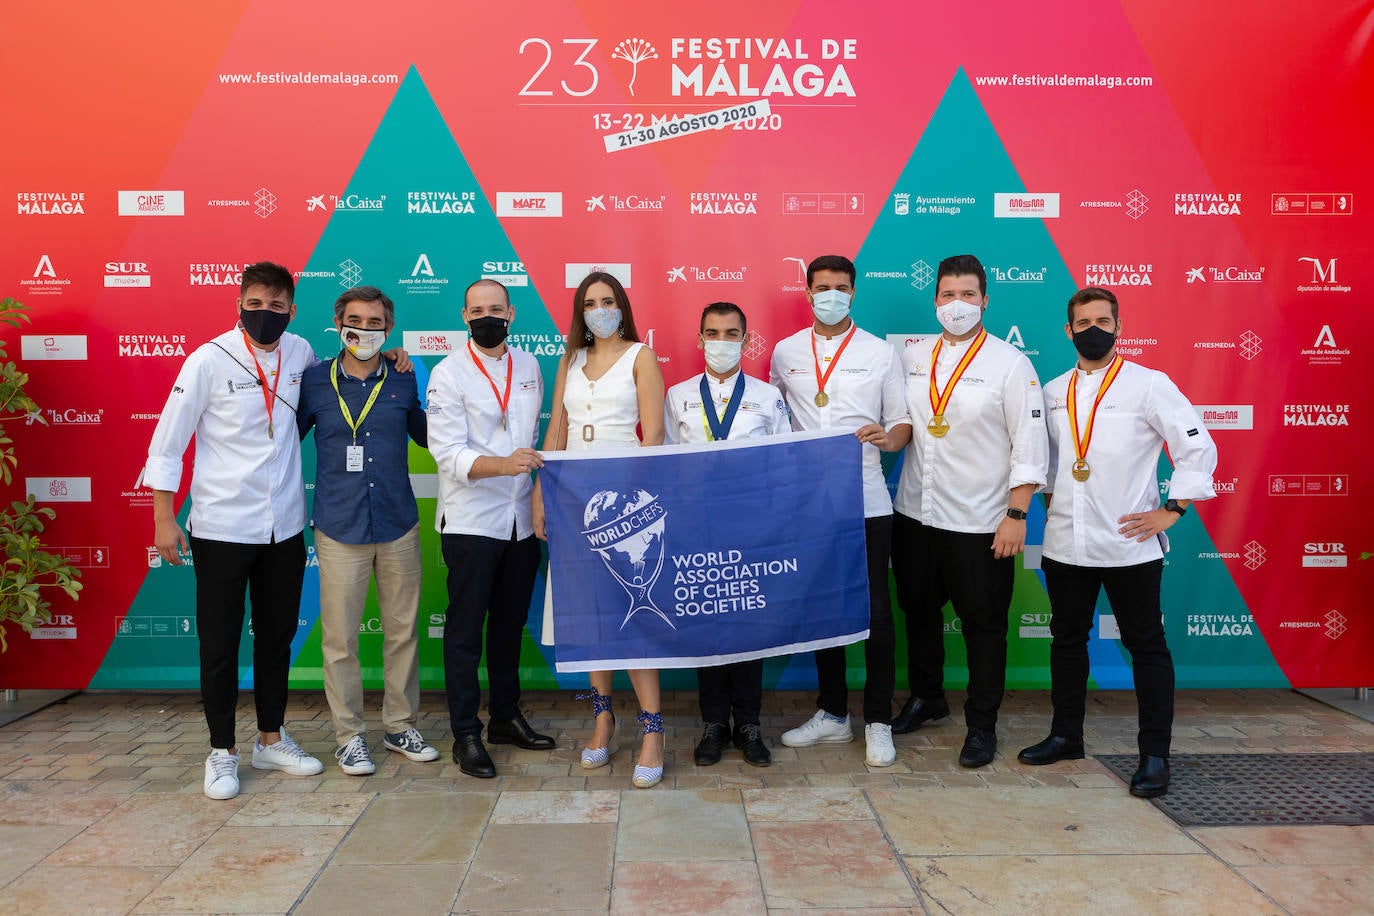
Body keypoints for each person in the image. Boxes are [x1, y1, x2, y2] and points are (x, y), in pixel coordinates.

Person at [1018, 286, 1217, 798]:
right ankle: (1066, 735)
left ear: (1119, 327)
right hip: (1066, 544)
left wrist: (1172, 510)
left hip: (1130, 545)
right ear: (1068, 330)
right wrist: (1051, 503)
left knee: (1146, 648)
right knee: (1066, 643)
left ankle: (1154, 755)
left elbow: (1198, 447)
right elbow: (1047, 466)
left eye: (1102, 321)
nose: (1093, 331)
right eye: (1083, 323)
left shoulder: (1149, 385)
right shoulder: (1052, 391)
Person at [143, 261, 325, 799]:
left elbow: (340, 388)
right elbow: (167, 442)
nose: (264, 314)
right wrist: (162, 516)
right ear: (239, 305)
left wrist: (391, 356)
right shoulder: (207, 359)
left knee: (275, 639)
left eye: (275, 306)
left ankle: (270, 739)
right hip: (221, 524)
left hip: (284, 527)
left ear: (291, 310)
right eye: (255, 304)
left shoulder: (302, 353)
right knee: (219, 644)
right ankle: (221, 751)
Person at [889, 254, 1048, 768]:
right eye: (947, 295)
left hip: (981, 521)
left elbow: (1029, 444)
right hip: (915, 513)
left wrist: (1017, 514)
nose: (957, 305)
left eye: (968, 295)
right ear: (934, 300)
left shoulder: (1010, 363)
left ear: (985, 301)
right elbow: (903, 423)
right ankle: (927, 698)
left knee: (984, 627)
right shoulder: (913, 357)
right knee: (918, 615)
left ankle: (982, 725)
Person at [768, 254, 912, 768]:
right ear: (808, 293)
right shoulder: (785, 353)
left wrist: (888, 437)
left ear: (855, 292)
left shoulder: (880, 352)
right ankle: (833, 714)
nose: (832, 294)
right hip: (808, 504)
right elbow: (773, 419)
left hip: (867, 496)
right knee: (822, 607)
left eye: (842, 287)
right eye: (822, 287)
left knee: (875, 612)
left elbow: (901, 424)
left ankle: (877, 720)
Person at [296, 285, 437, 776]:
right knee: (340, 641)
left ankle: (400, 726)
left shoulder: (404, 376)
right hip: (338, 525)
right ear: (339, 325)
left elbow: (432, 434)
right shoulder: (313, 381)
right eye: (356, 320)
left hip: (397, 521)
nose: (366, 330)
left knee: (402, 633)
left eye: (376, 323)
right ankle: (349, 737)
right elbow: (278, 441)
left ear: (388, 329)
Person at [534, 271, 667, 787]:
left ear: (622, 306)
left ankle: (653, 730)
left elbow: (653, 435)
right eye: (590, 303)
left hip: (623, 499)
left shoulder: (642, 356)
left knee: (632, 614)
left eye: (608, 301)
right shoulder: (568, 360)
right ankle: (603, 718)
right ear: (580, 311)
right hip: (571, 496)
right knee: (589, 614)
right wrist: (542, 496)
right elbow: (556, 431)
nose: (600, 310)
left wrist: (631, 506)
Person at [426, 279, 554, 778]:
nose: (487, 318)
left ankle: (505, 716)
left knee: (507, 627)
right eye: (477, 310)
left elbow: (535, 438)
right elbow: (447, 453)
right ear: (464, 317)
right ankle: (465, 734)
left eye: (496, 309)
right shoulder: (446, 373)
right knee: (463, 634)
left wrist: (525, 482)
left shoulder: (528, 366)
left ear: (511, 313)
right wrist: (504, 465)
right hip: (471, 522)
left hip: (520, 522)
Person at [664, 302, 790, 768]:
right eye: (712, 333)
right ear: (700, 339)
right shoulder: (677, 396)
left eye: (730, 333)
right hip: (696, 529)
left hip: (751, 528)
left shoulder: (768, 396)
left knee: (748, 625)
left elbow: (783, 466)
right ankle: (714, 723)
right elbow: (668, 464)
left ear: (745, 338)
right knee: (708, 626)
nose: (721, 341)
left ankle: (750, 723)